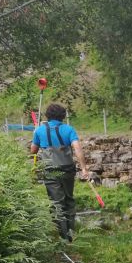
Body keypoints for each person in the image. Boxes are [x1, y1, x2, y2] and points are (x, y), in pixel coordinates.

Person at [30, 103, 90, 241]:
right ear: (63, 116)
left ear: (48, 116)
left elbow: (33, 151)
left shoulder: (39, 131)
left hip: (50, 171)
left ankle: (63, 238)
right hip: (68, 170)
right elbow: (78, 149)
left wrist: (35, 136)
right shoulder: (69, 129)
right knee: (69, 200)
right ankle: (71, 235)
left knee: (57, 203)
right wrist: (84, 169)